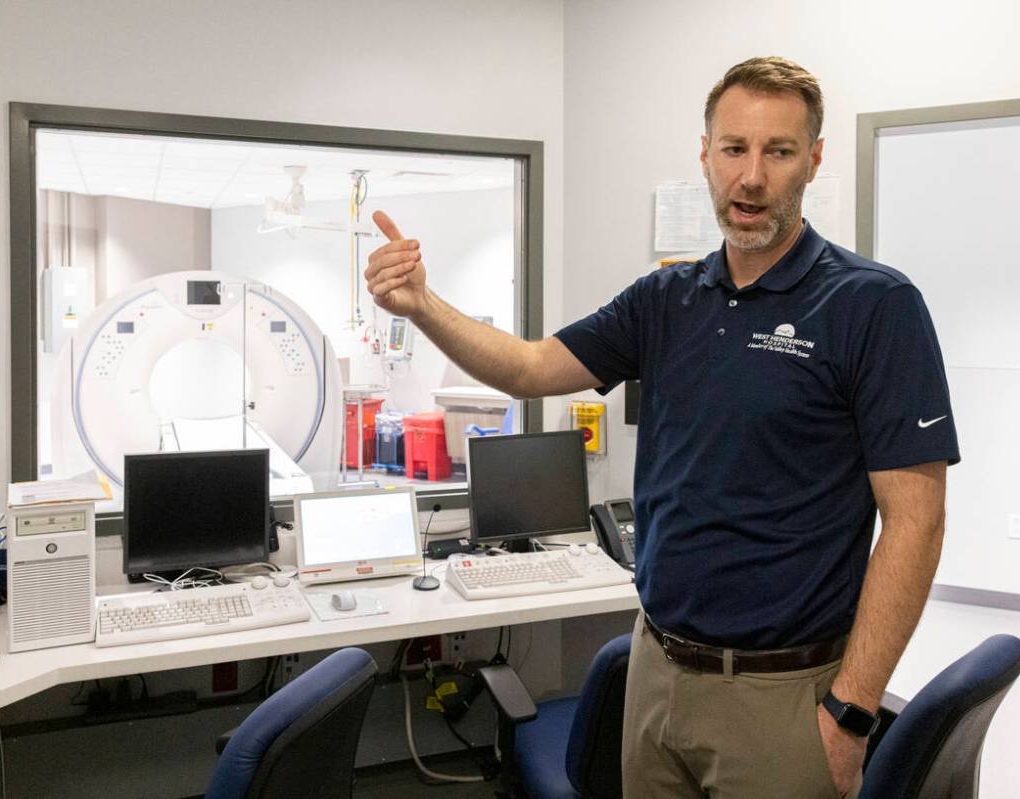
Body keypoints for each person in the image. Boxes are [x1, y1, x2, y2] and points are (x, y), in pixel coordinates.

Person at [365, 56, 958, 799]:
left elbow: (916, 522)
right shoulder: (666, 298)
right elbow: (526, 367)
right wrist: (422, 304)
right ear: (704, 154)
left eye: (777, 152)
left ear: (811, 159)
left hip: (781, 694)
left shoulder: (873, 305)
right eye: (734, 149)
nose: (750, 178)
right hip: (655, 671)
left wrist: (850, 712)